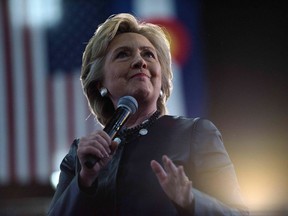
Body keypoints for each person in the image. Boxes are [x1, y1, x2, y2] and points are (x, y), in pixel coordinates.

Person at [48, 13, 249, 216]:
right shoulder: (80, 155)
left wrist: (191, 202)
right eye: (123, 54)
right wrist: (84, 179)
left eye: (148, 54)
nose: (139, 61)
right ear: (100, 83)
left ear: (160, 79)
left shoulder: (195, 134)